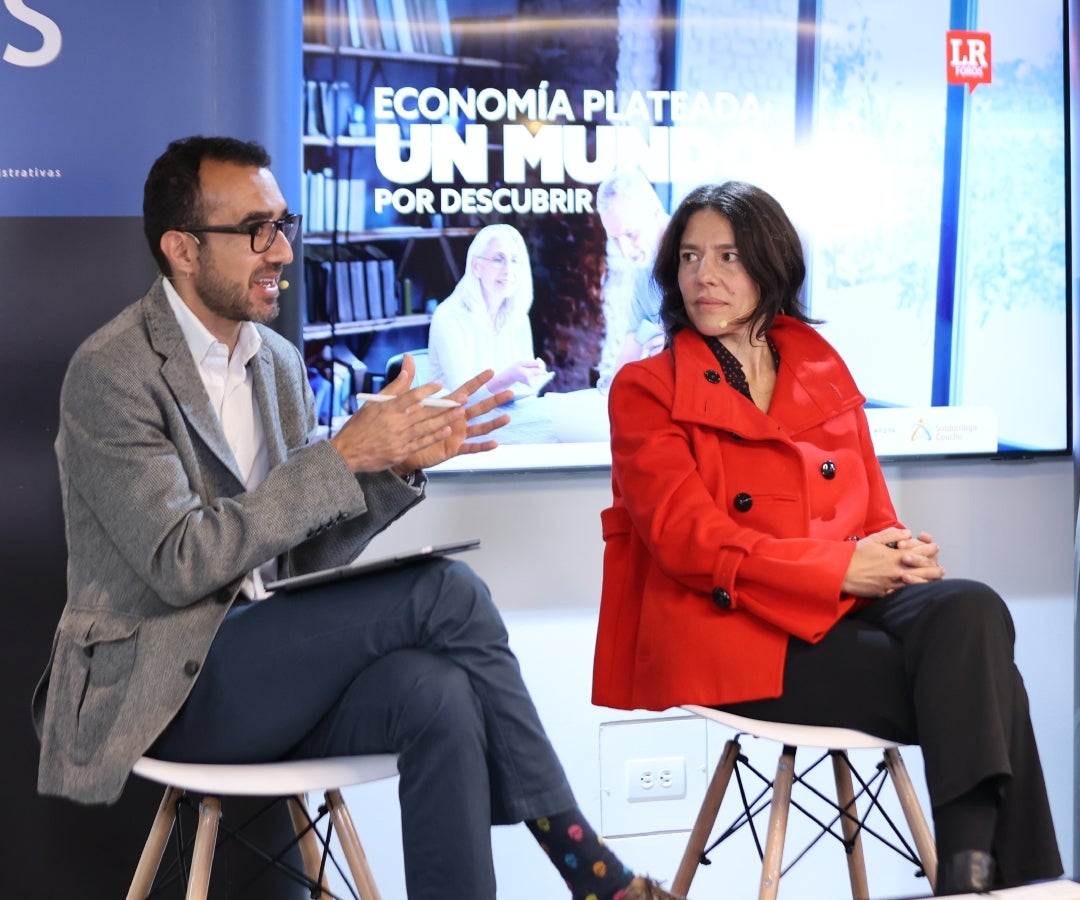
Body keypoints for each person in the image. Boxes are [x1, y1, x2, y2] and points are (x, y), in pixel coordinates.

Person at [30, 135, 681, 900]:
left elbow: (297, 560)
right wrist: (340, 458)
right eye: (255, 231)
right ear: (182, 249)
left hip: (266, 665)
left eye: (283, 224)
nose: (281, 250)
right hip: (160, 690)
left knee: (439, 695)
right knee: (446, 591)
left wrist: (393, 468)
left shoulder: (275, 364)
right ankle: (591, 869)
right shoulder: (112, 373)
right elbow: (182, 563)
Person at [592, 180, 1063, 896]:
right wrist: (841, 569)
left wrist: (899, 550)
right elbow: (688, 540)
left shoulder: (818, 365)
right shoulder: (646, 387)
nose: (703, 275)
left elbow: (870, 511)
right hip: (729, 627)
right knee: (983, 681)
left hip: (838, 603)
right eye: (689, 256)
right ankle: (997, 883)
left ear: (771, 265)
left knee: (973, 610)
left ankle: (973, 881)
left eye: (727, 256)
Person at [427, 222, 550, 402]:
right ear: (476, 267)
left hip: (506, 415)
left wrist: (532, 374)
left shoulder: (519, 316)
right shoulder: (448, 317)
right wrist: (512, 376)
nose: (508, 270)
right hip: (455, 417)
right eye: (498, 260)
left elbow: (528, 393)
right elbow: (464, 395)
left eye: (515, 260)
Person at [595, 168, 670, 393]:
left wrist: (682, 342)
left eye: (630, 234)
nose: (625, 251)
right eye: (615, 239)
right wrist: (613, 387)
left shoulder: (701, 255)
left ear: (655, 212)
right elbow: (633, 344)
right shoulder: (643, 268)